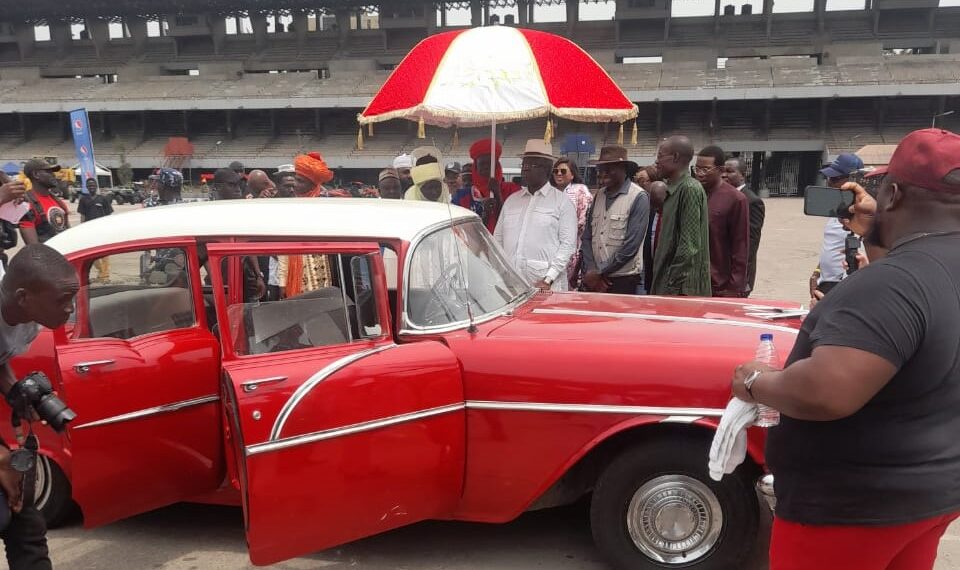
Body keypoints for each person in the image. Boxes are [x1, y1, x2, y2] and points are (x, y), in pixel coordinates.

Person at [732, 128, 960, 570]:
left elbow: (825, 392)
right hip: (930, 491)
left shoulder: (891, 283)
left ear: (892, 192)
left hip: (851, 506)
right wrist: (877, 231)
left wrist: (753, 381)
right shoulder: (927, 267)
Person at [0, 244, 80, 570]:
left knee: (25, 516)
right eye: (62, 299)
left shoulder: (25, 318)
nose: (70, 308)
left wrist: (14, 390)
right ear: (23, 297)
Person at [493, 141, 577, 292]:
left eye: (531, 166)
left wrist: (549, 278)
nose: (525, 170)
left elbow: (568, 245)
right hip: (512, 285)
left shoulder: (562, 202)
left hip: (546, 286)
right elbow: (498, 239)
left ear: (547, 169)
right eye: (523, 165)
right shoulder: (512, 201)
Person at [580, 146, 649, 294]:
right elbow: (587, 236)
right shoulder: (599, 195)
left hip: (622, 279)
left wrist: (600, 272)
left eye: (609, 168)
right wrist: (592, 269)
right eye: (600, 168)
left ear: (623, 168)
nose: (603, 173)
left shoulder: (638, 197)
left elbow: (631, 246)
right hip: (594, 278)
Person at [649, 136, 711, 296]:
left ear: (675, 157)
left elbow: (688, 247)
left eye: (660, 156)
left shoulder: (689, 189)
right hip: (668, 285)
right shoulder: (672, 190)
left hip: (681, 289)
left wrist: (670, 285)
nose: (656, 162)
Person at [695, 145, 749, 297]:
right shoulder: (693, 194)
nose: (699, 174)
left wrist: (734, 287)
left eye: (705, 169)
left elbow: (741, 247)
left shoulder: (735, 199)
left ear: (720, 169)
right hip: (693, 282)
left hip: (720, 284)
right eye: (697, 169)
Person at [811, 153, 864, 304]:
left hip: (843, 286)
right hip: (826, 282)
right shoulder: (838, 207)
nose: (829, 183)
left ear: (855, 179)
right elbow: (832, 246)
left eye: (835, 178)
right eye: (829, 178)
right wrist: (817, 272)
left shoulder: (863, 215)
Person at [723, 156, 765, 296]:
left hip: (738, 276)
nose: (724, 175)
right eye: (723, 171)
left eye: (730, 171)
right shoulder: (722, 196)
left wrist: (740, 276)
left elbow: (751, 243)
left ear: (742, 174)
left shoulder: (752, 201)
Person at [552, 158, 593, 289]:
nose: (558, 174)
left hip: (573, 248)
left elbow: (583, 219)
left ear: (572, 174)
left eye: (563, 171)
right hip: (552, 249)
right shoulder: (550, 193)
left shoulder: (580, 190)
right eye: (555, 171)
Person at [465, 139, 521, 232]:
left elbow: (514, 224)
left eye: (490, 163)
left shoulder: (513, 190)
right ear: (476, 167)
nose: (486, 167)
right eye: (482, 164)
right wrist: (485, 214)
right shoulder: (463, 196)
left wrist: (498, 195)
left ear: (497, 165)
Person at [18, 159, 69, 245]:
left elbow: (68, 232)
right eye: (48, 172)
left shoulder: (59, 202)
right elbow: (34, 248)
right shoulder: (26, 204)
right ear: (36, 174)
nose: (53, 175)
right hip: (48, 256)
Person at [76, 178, 114, 282]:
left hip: (102, 230)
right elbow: (82, 215)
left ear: (96, 186)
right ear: (87, 187)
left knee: (105, 253)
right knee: (93, 253)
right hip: (89, 231)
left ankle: (105, 276)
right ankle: (101, 271)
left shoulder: (103, 199)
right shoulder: (83, 200)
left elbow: (109, 215)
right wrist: (81, 228)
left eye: (93, 185)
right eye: (89, 185)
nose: (91, 187)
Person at [642, 181, 668, 295]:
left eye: (658, 203)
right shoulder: (649, 212)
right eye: (652, 203)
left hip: (667, 273)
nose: (655, 207)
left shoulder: (672, 215)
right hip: (650, 270)